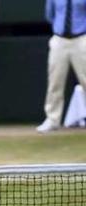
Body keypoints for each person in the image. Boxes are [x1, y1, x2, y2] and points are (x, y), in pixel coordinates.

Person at [36, 0, 86, 133]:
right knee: (55, 82)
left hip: (81, 39)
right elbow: (50, 15)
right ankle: (52, 119)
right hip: (59, 40)